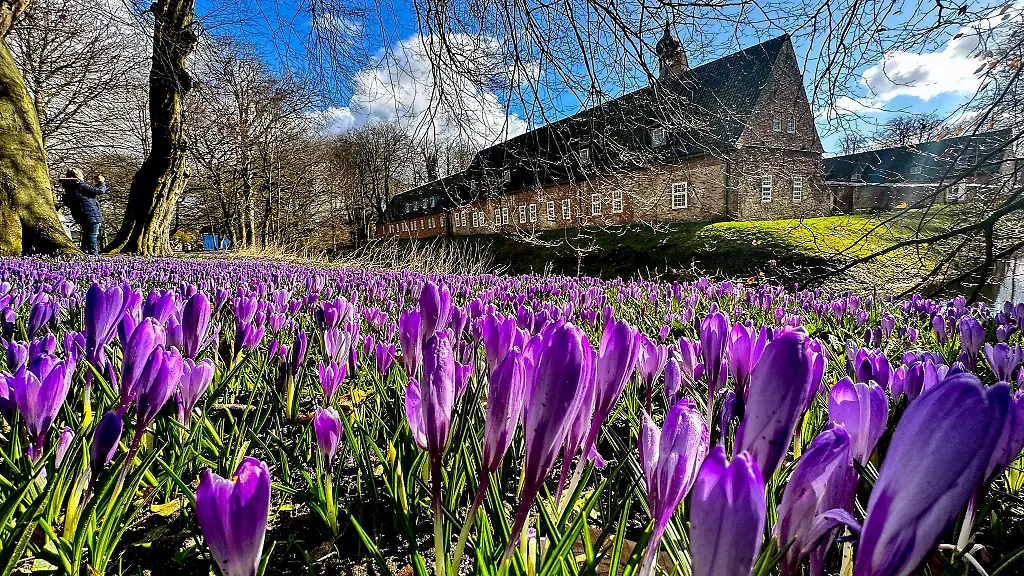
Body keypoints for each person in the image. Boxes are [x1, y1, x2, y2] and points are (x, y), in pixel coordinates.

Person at [58, 168, 106, 255]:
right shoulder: (80, 185)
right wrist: (101, 182)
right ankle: (93, 254)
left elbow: (90, 192)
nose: (83, 176)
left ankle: (84, 252)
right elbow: (100, 191)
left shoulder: (70, 187)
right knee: (92, 234)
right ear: (78, 176)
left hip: (80, 214)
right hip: (90, 214)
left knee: (87, 234)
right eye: (81, 174)